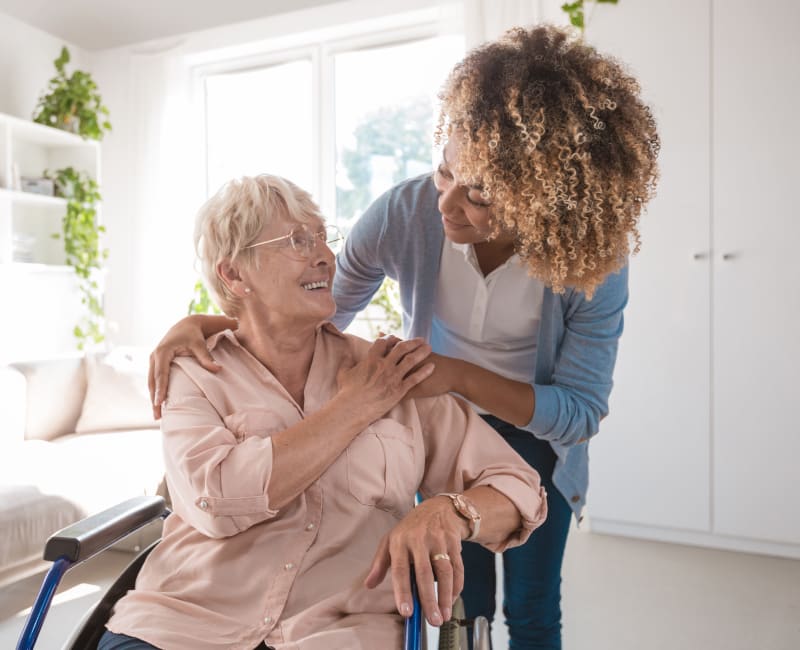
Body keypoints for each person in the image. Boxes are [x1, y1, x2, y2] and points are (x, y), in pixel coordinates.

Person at [148, 25, 659, 650]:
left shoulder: (590, 263)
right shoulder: (406, 212)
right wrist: (218, 321)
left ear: (543, 205)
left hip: (534, 435)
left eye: (479, 198)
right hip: (429, 421)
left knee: (531, 609)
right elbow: (315, 316)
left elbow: (579, 412)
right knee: (455, 605)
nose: (446, 205)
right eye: (444, 171)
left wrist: (457, 376)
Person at [101, 175, 547, 650]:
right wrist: (354, 407)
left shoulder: (391, 372)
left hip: (337, 633)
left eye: (322, 236)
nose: (325, 255)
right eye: (297, 240)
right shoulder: (194, 371)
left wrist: (451, 511)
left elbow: (521, 489)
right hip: (183, 624)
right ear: (234, 275)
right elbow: (219, 500)